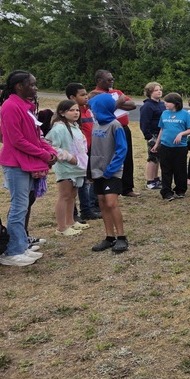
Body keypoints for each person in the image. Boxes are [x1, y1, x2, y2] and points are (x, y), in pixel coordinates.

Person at [0, 71, 55, 266]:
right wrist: (44, 155)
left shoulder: (25, 106)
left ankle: (21, 246)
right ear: (20, 86)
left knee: (22, 206)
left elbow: (36, 136)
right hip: (15, 163)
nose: (35, 88)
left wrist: (50, 150)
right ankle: (12, 252)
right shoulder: (11, 106)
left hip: (26, 162)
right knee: (19, 207)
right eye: (32, 84)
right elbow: (17, 140)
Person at [88, 93, 129, 254]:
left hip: (111, 171)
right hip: (97, 171)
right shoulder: (96, 124)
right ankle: (109, 237)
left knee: (112, 203)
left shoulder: (115, 125)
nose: (92, 112)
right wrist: (90, 171)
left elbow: (121, 149)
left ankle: (121, 237)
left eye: (94, 108)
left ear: (102, 107)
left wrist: (110, 170)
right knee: (103, 203)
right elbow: (93, 149)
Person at [45, 100, 90, 236]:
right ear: (62, 113)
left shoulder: (75, 126)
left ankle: (71, 221)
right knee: (64, 196)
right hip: (66, 168)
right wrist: (69, 157)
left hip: (77, 168)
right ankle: (61, 227)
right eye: (71, 110)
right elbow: (51, 146)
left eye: (77, 110)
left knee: (72, 195)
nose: (76, 113)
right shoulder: (59, 128)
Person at [94, 69, 139, 197]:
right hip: (107, 130)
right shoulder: (95, 94)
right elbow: (105, 109)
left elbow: (132, 105)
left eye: (112, 79)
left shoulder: (116, 92)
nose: (112, 81)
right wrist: (119, 102)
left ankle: (127, 188)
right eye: (109, 79)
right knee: (110, 157)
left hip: (123, 128)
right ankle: (111, 187)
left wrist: (115, 104)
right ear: (99, 81)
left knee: (127, 157)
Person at [66, 83, 100, 221]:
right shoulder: (71, 114)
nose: (86, 97)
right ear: (72, 97)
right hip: (75, 153)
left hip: (88, 150)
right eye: (82, 95)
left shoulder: (86, 110)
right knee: (74, 183)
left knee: (85, 181)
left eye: (86, 94)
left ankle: (87, 210)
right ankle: (73, 214)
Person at [152, 92, 190, 201]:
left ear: (175, 103)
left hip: (180, 147)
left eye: (168, 102)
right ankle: (166, 192)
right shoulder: (164, 113)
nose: (165, 103)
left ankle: (180, 189)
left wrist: (181, 134)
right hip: (166, 146)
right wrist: (157, 144)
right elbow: (162, 129)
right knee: (166, 169)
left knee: (180, 169)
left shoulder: (185, 114)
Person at [139, 81, 165, 190]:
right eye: (156, 90)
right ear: (150, 92)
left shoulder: (162, 104)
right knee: (152, 158)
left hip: (161, 134)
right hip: (153, 135)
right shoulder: (147, 106)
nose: (159, 92)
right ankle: (150, 181)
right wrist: (149, 137)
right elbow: (144, 123)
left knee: (158, 158)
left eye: (160, 90)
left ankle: (155, 178)